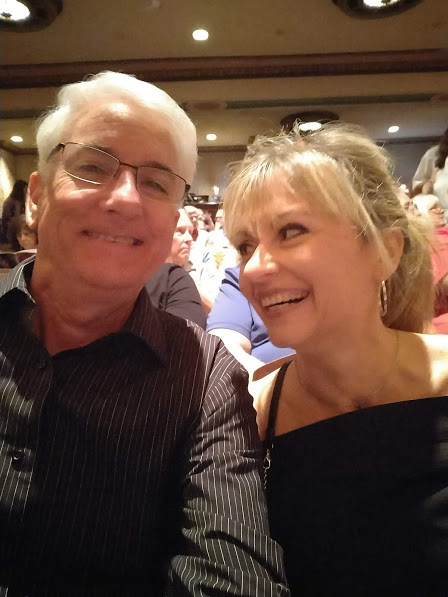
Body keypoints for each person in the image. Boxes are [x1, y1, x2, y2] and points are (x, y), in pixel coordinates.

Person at [0, 71, 288, 596]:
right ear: (36, 197)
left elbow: (231, 571)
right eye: (93, 166)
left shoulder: (205, 377)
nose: (127, 199)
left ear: (175, 218)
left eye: (156, 182)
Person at [224, 122, 448, 596]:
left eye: (290, 231)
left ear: (385, 252)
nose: (256, 268)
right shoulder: (249, 416)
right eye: (245, 246)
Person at [207, 265, 294, 375]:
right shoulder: (239, 277)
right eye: (244, 254)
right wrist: (272, 381)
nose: (251, 265)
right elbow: (223, 347)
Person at [1, 179, 28, 245]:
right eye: (25, 189)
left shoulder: (20, 201)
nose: (26, 192)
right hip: (11, 230)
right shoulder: (10, 202)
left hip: (18, 227)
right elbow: (9, 219)